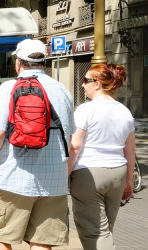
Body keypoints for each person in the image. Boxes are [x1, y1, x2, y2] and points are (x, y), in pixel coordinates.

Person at [0, 39, 75, 250]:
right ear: (44, 62)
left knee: (0, 235)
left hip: (12, 178)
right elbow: (70, 137)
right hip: (53, 181)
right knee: (43, 240)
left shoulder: (8, 88)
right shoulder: (62, 91)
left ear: (18, 63)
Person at [67, 64, 135, 250]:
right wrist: (129, 179)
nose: (83, 85)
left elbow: (75, 145)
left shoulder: (85, 110)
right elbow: (129, 150)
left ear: (97, 84)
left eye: (86, 80)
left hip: (89, 174)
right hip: (118, 174)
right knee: (106, 229)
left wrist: (66, 173)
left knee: (95, 232)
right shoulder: (125, 112)